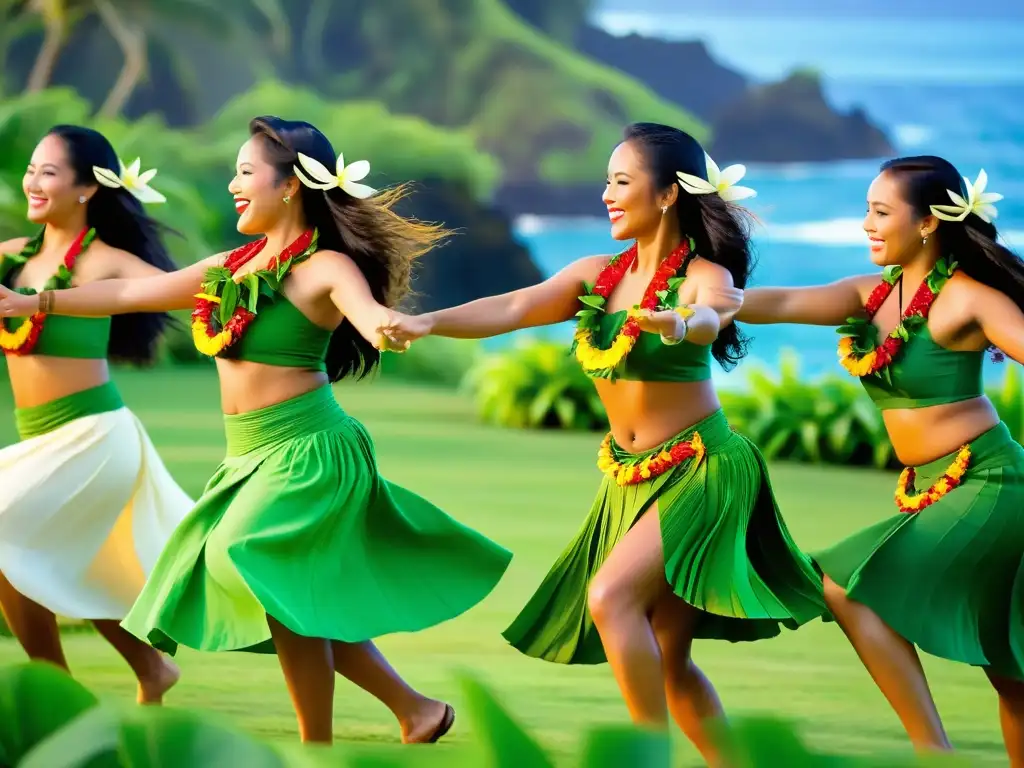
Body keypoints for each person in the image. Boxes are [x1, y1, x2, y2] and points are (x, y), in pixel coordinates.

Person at [0, 116, 513, 745]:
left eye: (246, 174)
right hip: (248, 457)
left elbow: (369, 312)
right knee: (281, 593)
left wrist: (390, 326)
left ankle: (317, 747)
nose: (234, 185)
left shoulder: (324, 267)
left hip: (310, 448)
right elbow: (135, 292)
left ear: (291, 185)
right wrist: (37, 303)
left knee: (248, 557)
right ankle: (413, 709)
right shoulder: (229, 267)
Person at [379, 122, 827, 764]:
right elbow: (514, 308)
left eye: (622, 182)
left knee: (610, 598)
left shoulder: (702, 274)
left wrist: (680, 323)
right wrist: (428, 322)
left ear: (669, 194)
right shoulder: (597, 275)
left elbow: (715, 312)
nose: (608, 196)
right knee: (669, 662)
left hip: (702, 469)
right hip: (630, 477)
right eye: (607, 183)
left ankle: (644, 758)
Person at [735, 156, 1024, 764]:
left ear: (926, 224)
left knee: (848, 589)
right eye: (867, 210)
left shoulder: (968, 298)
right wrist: (710, 300)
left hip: (990, 481)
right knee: (1011, 671)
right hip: (934, 485)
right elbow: (785, 301)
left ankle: (933, 753)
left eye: (881, 212)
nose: (866, 223)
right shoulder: (871, 296)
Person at [0, 125, 190, 703]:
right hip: (38, 444)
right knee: (56, 561)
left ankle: (53, 689)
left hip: (94, 437)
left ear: (86, 189)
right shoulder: (14, 257)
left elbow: (180, 291)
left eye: (48, 173)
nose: (33, 182)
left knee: (15, 544)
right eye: (32, 169)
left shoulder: (106, 263)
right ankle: (151, 670)